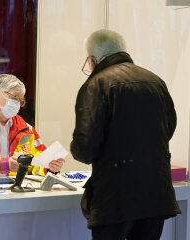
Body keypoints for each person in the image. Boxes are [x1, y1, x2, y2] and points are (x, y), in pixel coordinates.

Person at [70, 29, 181, 240]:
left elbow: (86, 147)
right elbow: (169, 128)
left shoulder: (96, 84)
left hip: (115, 197)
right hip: (156, 193)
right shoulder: (155, 81)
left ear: (93, 60)